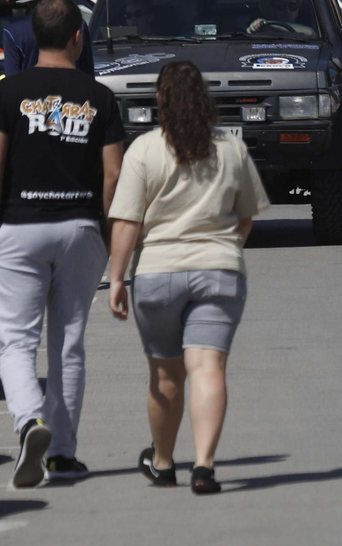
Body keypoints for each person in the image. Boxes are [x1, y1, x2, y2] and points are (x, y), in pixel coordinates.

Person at [0, 0, 124, 489]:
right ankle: (62, 453)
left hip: (18, 227)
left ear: (32, 37)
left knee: (16, 341)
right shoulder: (100, 97)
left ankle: (28, 423)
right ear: (78, 38)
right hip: (79, 227)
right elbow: (114, 175)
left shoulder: (8, 92)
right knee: (69, 342)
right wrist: (108, 234)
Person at [106, 61, 268, 495]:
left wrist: (117, 278)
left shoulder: (143, 150)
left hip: (157, 274)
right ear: (204, 99)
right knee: (208, 367)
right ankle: (204, 465)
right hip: (219, 270)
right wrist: (224, 247)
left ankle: (162, 462)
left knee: (166, 377)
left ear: (160, 99)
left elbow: (126, 222)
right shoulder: (229, 147)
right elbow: (246, 217)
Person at [1, 0, 96, 77]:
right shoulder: (78, 24)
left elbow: (12, 76)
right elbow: (87, 71)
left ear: (29, 3)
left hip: (30, 91)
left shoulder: (13, 32)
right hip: (73, 89)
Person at [245, 0, 314, 36]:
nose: (287, 11)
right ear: (272, 11)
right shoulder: (263, 32)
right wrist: (256, 27)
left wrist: (270, 25)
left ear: (297, 12)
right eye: (281, 6)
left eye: (292, 6)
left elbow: (311, 33)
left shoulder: (306, 34)